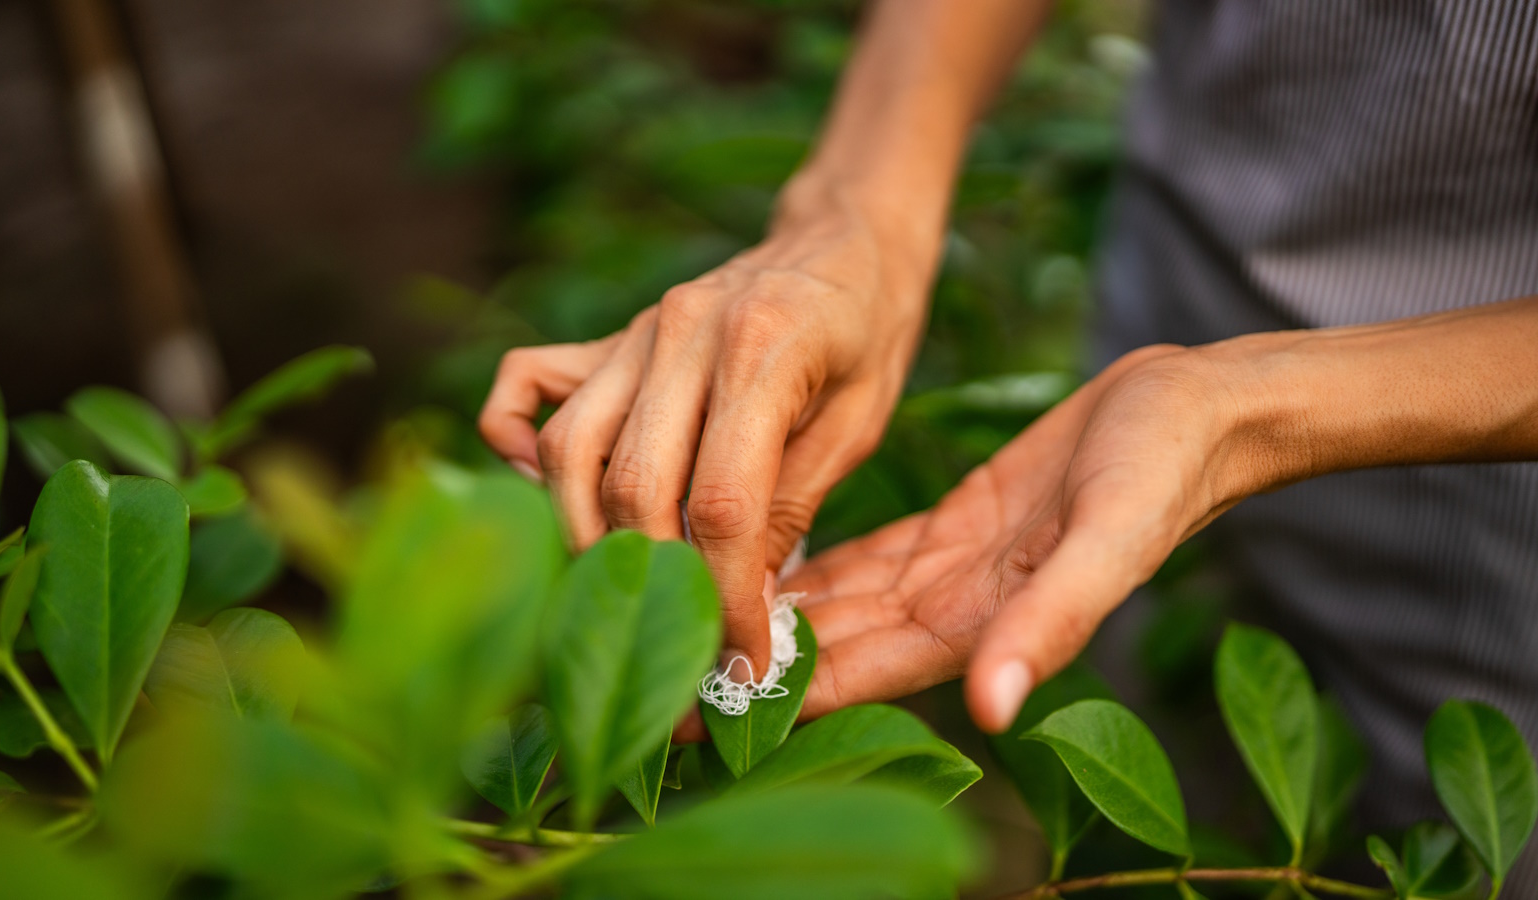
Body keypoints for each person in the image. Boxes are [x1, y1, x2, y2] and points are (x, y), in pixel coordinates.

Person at [479, 0, 1538, 879]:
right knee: (1155, 788)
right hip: (1151, 351)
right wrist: (857, 211)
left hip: (1494, 571)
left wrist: (1244, 410)